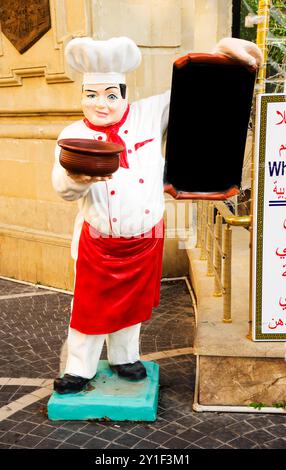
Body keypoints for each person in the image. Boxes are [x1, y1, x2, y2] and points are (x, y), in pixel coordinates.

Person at [52, 36, 262, 394]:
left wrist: (223, 54)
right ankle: (78, 367)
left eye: (110, 95)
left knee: (132, 305)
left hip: (144, 239)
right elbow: (62, 186)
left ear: (124, 93)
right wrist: (79, 176)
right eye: (92, 95)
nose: (101, 104)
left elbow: (194, 90)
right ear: (82, 96)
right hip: (99, 243)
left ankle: (125, 357)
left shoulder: (149, 114)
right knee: (89, 308)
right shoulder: (73, 135)